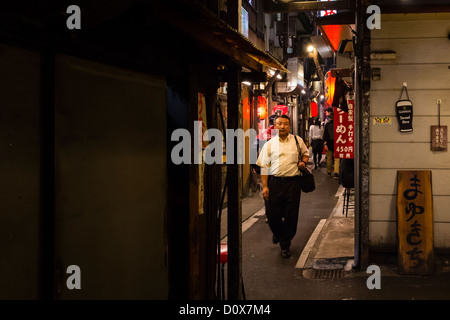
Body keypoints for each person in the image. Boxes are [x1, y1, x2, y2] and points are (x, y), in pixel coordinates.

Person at [256, 115, 309, 258]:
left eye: (285, 124)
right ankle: (278, 233)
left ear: (289, 126)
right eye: (279, 124)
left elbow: (305, 154)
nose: (283, 126)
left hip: (293, 183)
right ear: (274, 125)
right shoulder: (269, 144)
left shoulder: (297, 141)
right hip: (275, 183)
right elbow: (264, 167)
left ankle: (285, 244)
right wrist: (265, 186)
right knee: (273, 215)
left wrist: (303, 162)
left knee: (291, 215)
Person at [323, 110, 339, 179]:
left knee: (329, 158)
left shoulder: (327, 125)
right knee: (336, 158)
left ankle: (329, 172)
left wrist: (325, 144)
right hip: (337, 143)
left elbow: (325, 135)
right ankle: (336, 173)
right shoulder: (338, 124)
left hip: (329, 143)